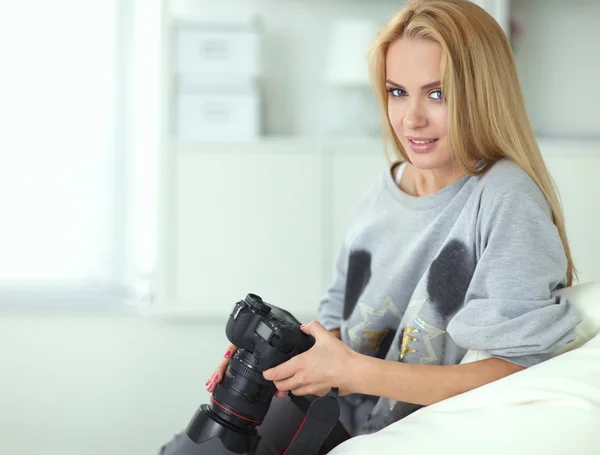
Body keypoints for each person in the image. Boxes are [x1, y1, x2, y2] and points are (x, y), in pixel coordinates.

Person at [204, 0, 582, 450]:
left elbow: (518, 371)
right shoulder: (384, 191)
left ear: (483, 94)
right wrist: (276, 363)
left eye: (437, 94)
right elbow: (340, 325)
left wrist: (356, 373)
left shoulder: (504, 197)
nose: (411, 118)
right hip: (335, 421)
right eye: (397, 92)